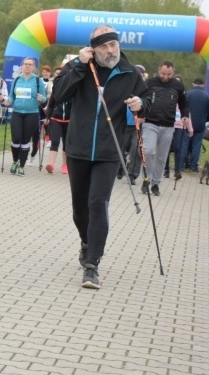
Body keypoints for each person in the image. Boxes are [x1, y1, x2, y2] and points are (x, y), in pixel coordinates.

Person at [53, 25, 149, 290]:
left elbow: (146, 100)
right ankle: (86, 242)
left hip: (109, 152)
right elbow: (58, 95)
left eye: (113, 45)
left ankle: (92, 265)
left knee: (98, 204)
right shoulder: (80, 67)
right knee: (80, 209)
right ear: (92, 49)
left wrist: (141, 105)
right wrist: (78, 66)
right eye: (104, 47)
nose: (110, 51)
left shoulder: (129, 72)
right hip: (78, 149)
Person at [139, 61, 189, 196]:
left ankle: (156, 183)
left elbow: (184, 103)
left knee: (161, 157)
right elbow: (142, 99)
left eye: (169, 74)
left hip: (168, 125)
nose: (165, 77)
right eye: (163, 74)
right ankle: (146, 179)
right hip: (150, 123)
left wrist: (185, 115)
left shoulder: (178, 86)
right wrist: (140, 112)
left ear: (173, 72)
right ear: (158, 71)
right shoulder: (150, 83)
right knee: (148, 151)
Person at [6, 57, 47, 176]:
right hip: (17, 112)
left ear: (33, 67)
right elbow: (12, 96)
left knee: (25, 140)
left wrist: (41, 98)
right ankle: (15, 161)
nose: (27, 66)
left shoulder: (37, 81)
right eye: (25, 64)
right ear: (22, 66)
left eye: (30, 64)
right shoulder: (17, 79)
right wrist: (8, 101)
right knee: (16, 138)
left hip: (32, 113)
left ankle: (22, 166)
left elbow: (44, 98)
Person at [181, 77, 209, 172]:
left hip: (187, 123)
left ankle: (182, 164)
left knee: (185, 144)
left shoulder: (187, 94)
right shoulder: (207, 96)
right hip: (200, 124)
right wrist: (204, 120)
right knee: (197, 145)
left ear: (193, 84)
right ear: (203, 85)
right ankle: (193, 165)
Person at [43, 68, 70, 174]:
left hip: (69, 120)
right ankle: (51, 164)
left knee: (66, 144)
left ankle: (65, 165)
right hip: (55, 118)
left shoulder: (73, 89)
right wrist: (47, 117)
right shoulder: (56, 89)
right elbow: (51, 105)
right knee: (54, 141)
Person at [29, 65, 52, 166]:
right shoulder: (27, 83)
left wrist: (44, 102)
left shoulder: (48, 83)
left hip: (43, 110)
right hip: (29, 110)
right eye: (43, 72)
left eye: (47, 72)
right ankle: (25, 154)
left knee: (36, 136)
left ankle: (32, 155)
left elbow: (48, 98)